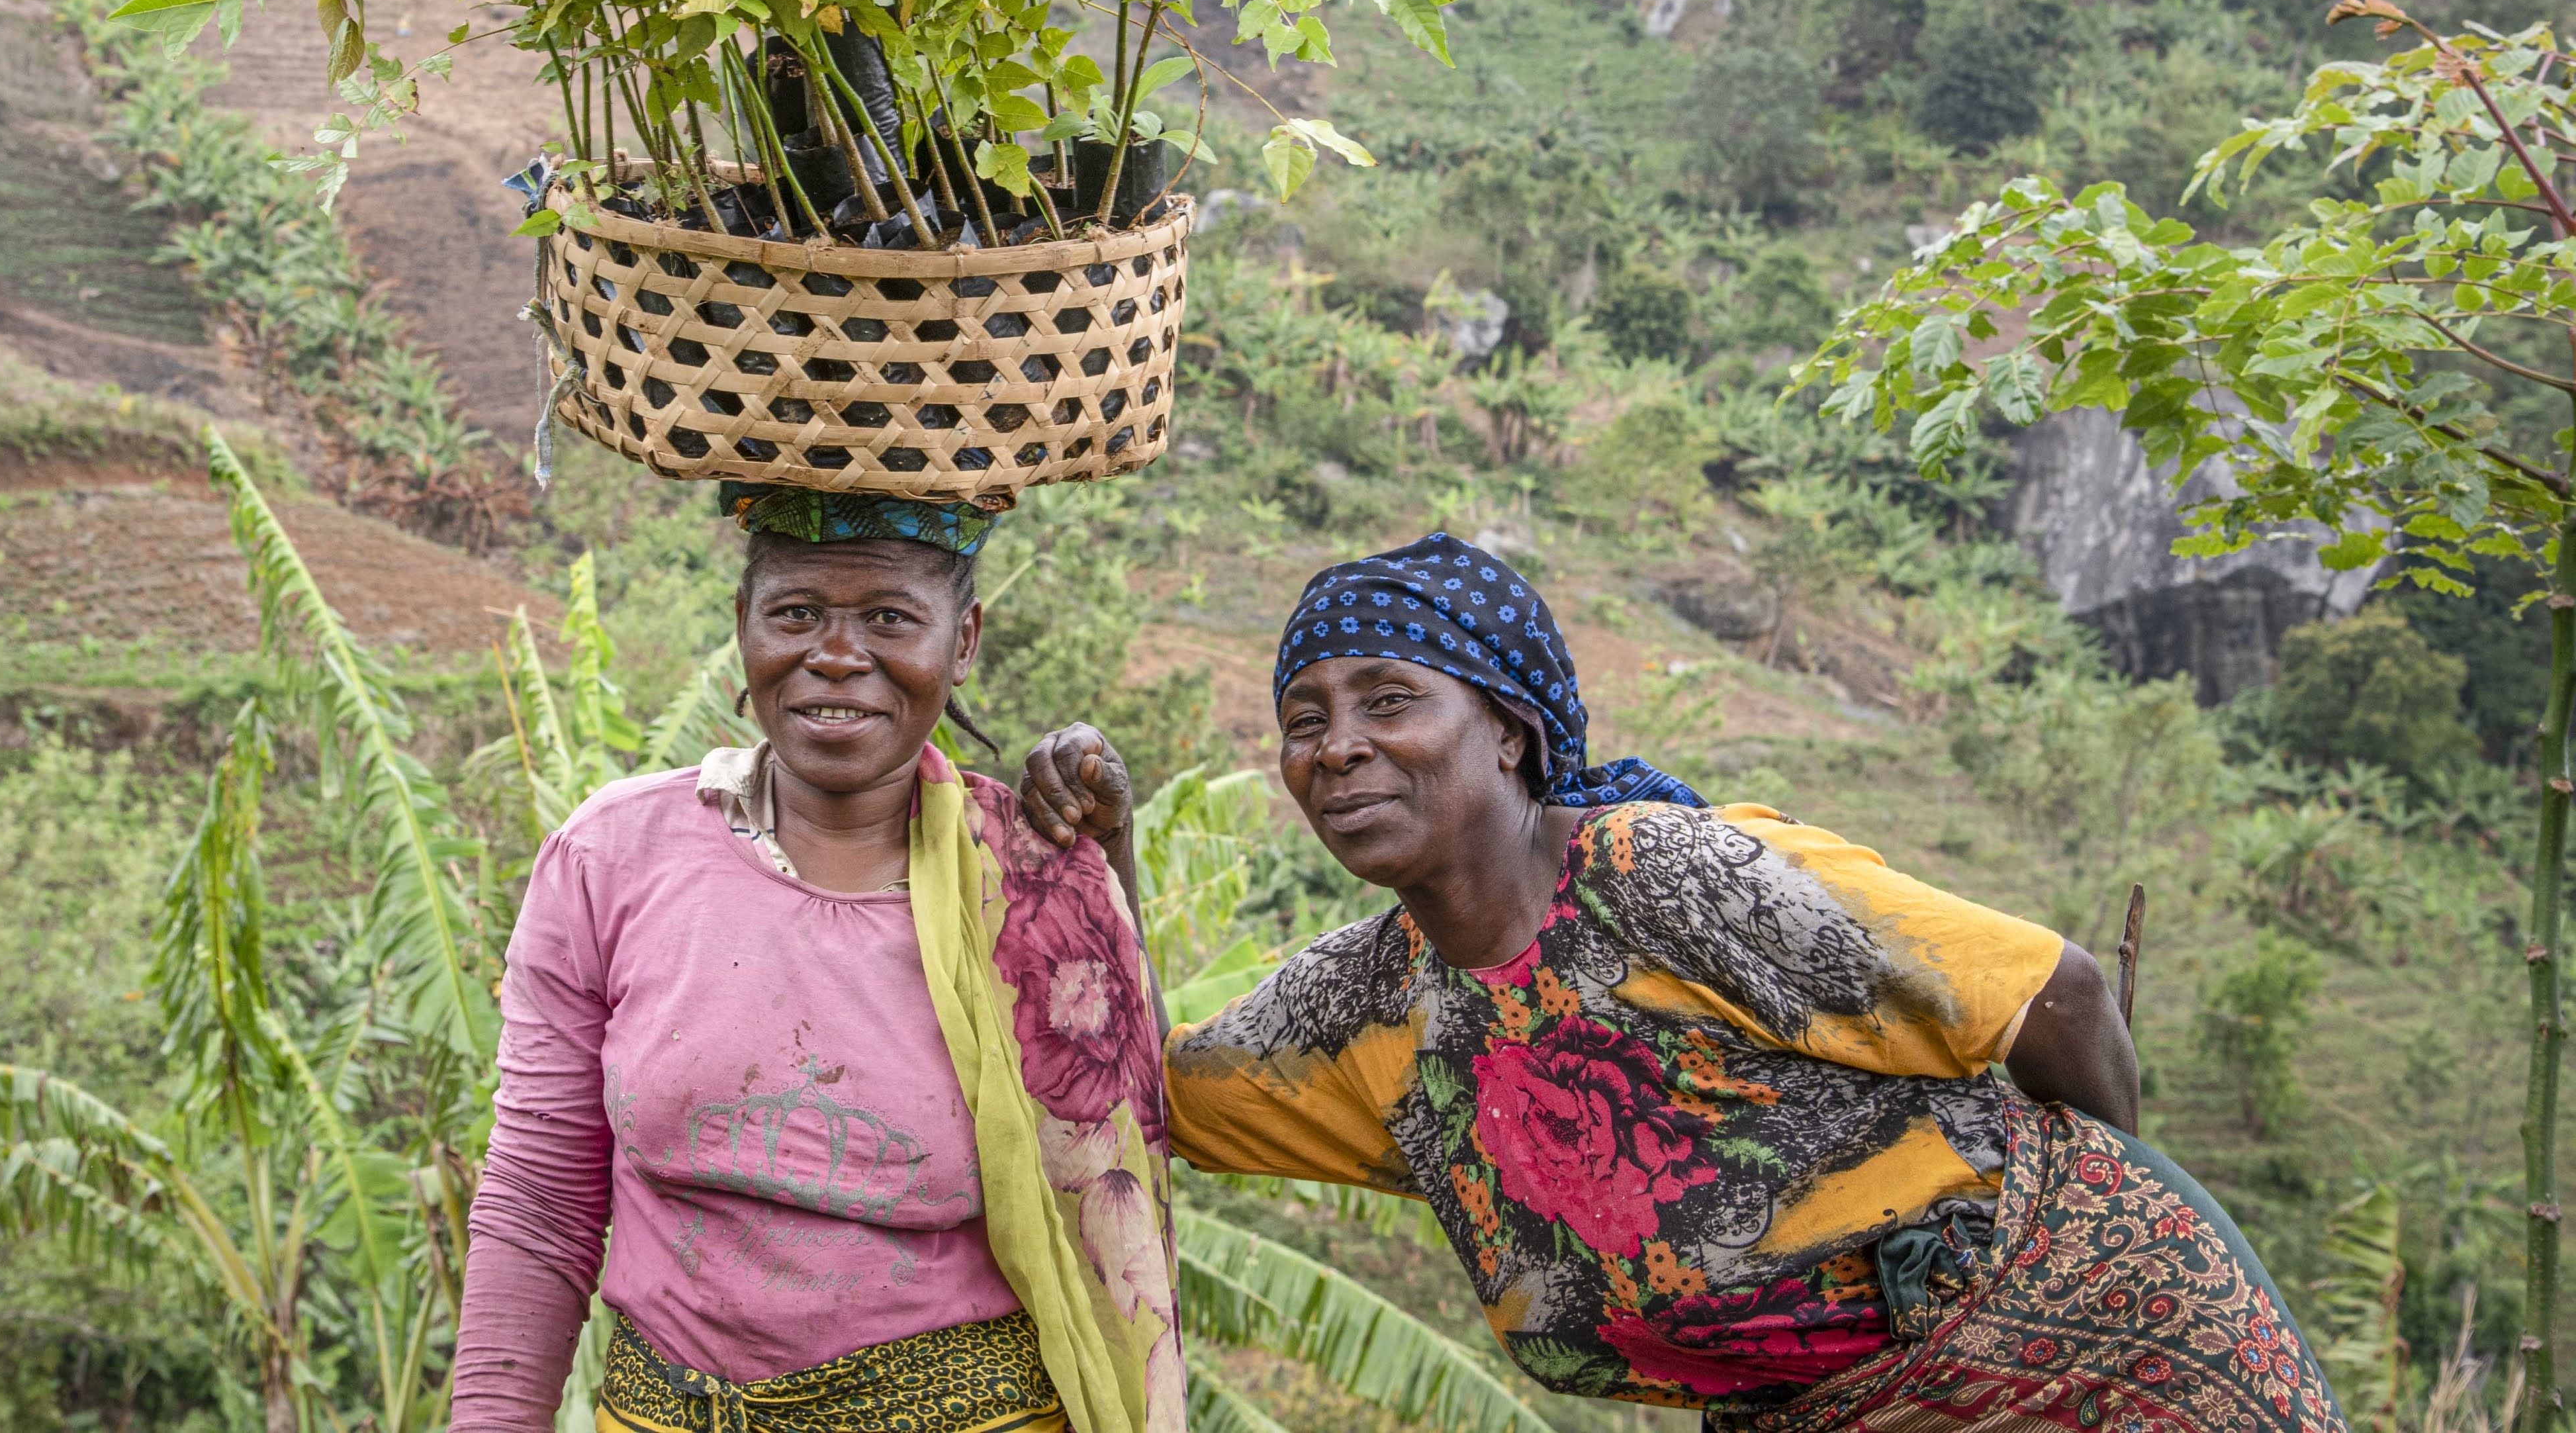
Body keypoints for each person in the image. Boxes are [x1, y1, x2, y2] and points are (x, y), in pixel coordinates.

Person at [1021, 532, 2344, 1433]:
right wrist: (1107, 841)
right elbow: (1138, 1082)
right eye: (1305, 718)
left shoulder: (1670, 879)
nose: (1339, 747)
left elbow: (2057, 993)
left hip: (2089, 1353)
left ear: (1513, 733)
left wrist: (2082, 1263)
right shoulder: (1366, 1011)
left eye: (1388, 700)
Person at [453, 489, 1184, 1433]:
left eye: (889, 618)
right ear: (742, 629)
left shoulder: (1028, 877)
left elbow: (1137, 1128)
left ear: (963, 641)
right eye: (795, 613)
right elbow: (540, 1197)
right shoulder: (612, 856)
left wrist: (1107, 865)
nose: (837, 657)